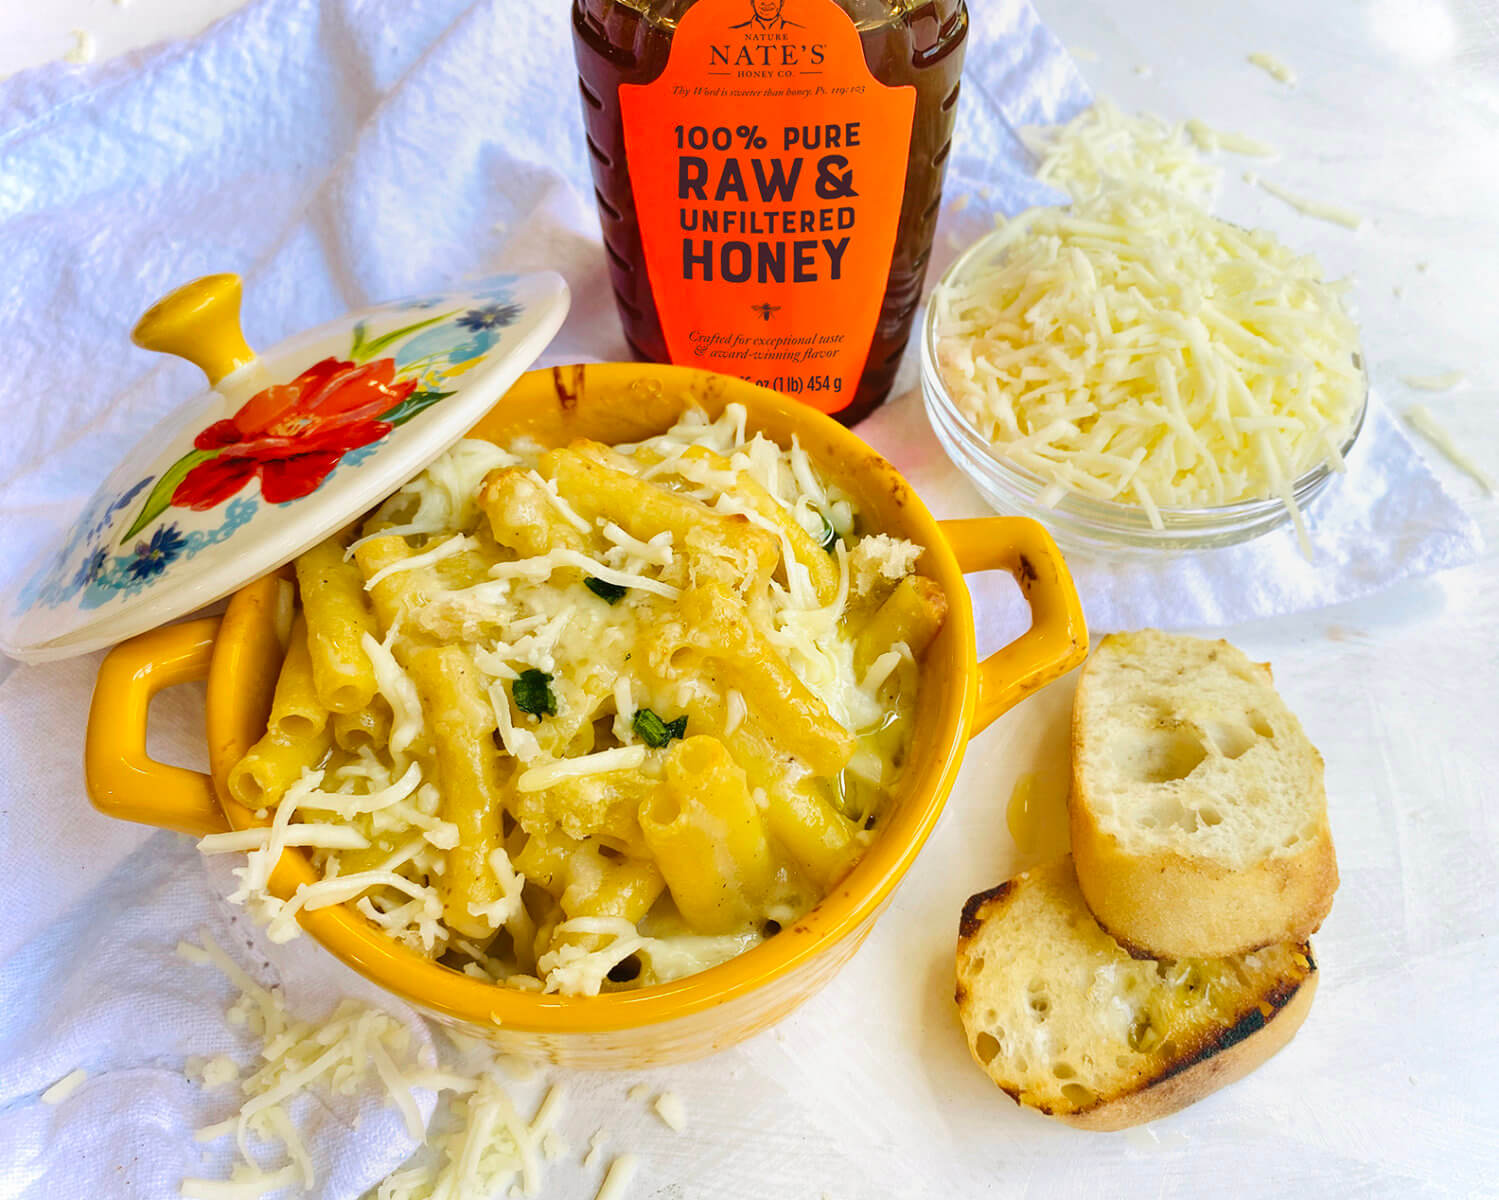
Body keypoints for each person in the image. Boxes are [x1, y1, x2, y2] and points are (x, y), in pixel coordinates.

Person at [731, 0, 802, 32]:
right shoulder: (734, 32)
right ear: (752, 2)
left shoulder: (800, 31)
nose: (766, 3)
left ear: (782, 2)